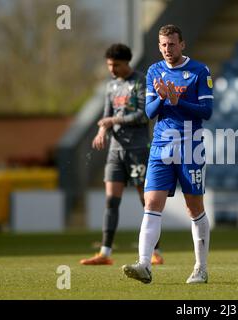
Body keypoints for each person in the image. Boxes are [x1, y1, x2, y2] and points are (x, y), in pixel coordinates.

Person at [121, 25, 213, 284]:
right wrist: (163, 99)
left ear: (182, 44)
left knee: (193, 207)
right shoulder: (154, 71)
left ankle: (201, 268)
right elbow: (149, 113)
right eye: (163, 45)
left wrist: (177, 101)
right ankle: (144, 264)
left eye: (171, 44)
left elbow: (206, 111)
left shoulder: (199, 70)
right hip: (161, 145)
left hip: (190, 146)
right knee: (151, 203)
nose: (167, 50)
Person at [80, 44, 164, 266]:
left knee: (146, 200)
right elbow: (106, 116)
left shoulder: (141, 81)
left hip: (137, 150)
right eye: (109, 65)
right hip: (115, 151)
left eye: (115, 65)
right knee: (111, 201)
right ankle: (105, 253)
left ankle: (155, 251)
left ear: (127, 63)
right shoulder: (111, 87)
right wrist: (101, 131)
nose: (112, 69)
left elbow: (144, 115)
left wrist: (112, 121)